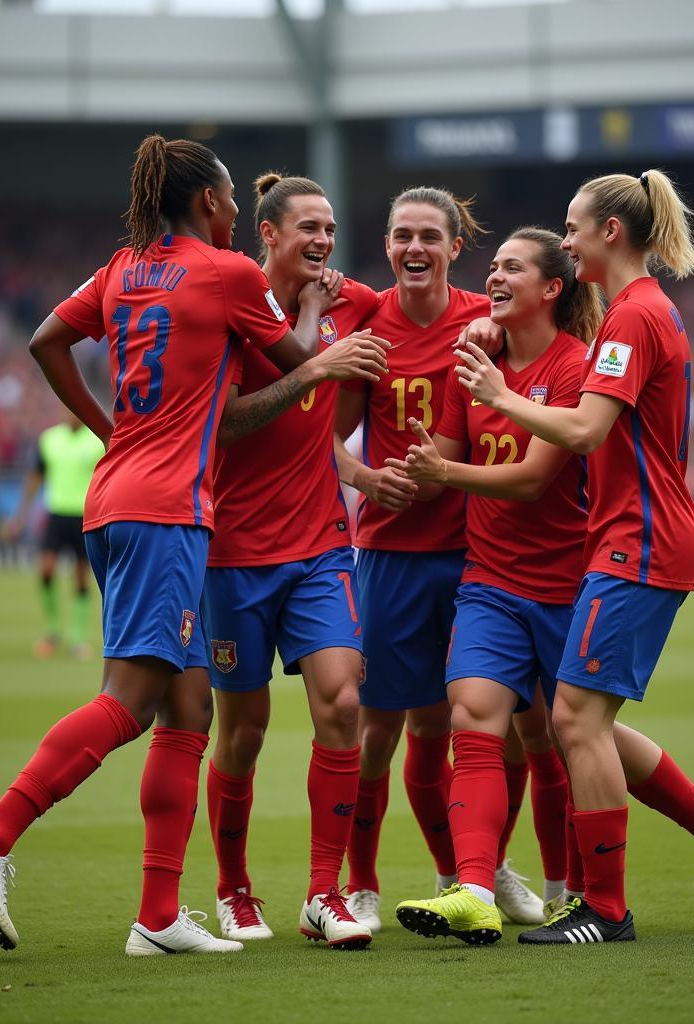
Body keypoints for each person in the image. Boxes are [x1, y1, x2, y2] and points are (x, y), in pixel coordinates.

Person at [0, 134, 344, 957]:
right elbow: (299, 362)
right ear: (210, 204)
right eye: (232, 202)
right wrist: (309, 304)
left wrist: (105, 428)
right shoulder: (227, 272)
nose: (236, 215)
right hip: (169, 511)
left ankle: (158, 916)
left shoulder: (123, 267)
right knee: (130, 700)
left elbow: (47, 338)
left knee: (188, 709)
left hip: (116, 498)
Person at [454, 170, 694, 944]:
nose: (565, 238)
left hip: (642, 537)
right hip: (631, 535)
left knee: (574, 720)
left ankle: (605, 908)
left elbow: (586, 431)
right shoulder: (635, 315)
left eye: (572, 226)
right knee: (581, 720)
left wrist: (497, 395)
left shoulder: (634, 317)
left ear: (610, 234)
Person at [333, 188, 539, 932]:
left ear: (457, 248)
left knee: (481, 728)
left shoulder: (486, 328)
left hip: (477, 553)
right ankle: (360, 884)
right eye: (400, 236)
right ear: (387, 246)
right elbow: (324, 439)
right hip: (389, 554)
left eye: (428, 236)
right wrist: (364, 478)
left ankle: (475, 871)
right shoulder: (365, 322)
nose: (413, 248)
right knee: (375, 730)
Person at [389, 227, 598, 944]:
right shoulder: (473, 361)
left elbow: (536, 478)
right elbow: (442, 457)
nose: (495, 277)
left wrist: (446, 473)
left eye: (512, 268)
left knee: (563, 741)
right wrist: (403, 469)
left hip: (568, 585)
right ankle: (474, 886)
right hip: (490, 582)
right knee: (473, 718)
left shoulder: (576, 366)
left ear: (551, 289)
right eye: (493, 267)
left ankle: (571, 890)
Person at [201, 173, 389, 949]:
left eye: (329, 228)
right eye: (306, 226)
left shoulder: (354, 304)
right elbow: (224, 427)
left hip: (320, 547)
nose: (321, 240)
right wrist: (314, 360)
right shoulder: (227, 312)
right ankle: (234, 889)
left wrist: (477, 328)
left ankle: (324, 893)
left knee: (344, 705)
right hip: (234, 554)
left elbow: (420, 314)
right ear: (267, 235)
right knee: (242, 731)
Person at [8, 412, 105, 659]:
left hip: (86, 516)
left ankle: (77, 638)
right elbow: (35, 477)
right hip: (56, 515)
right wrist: (21, 515)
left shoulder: (97, 440)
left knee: (81, 578)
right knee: (46, 570)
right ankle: (53, 631)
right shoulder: (49, 440)